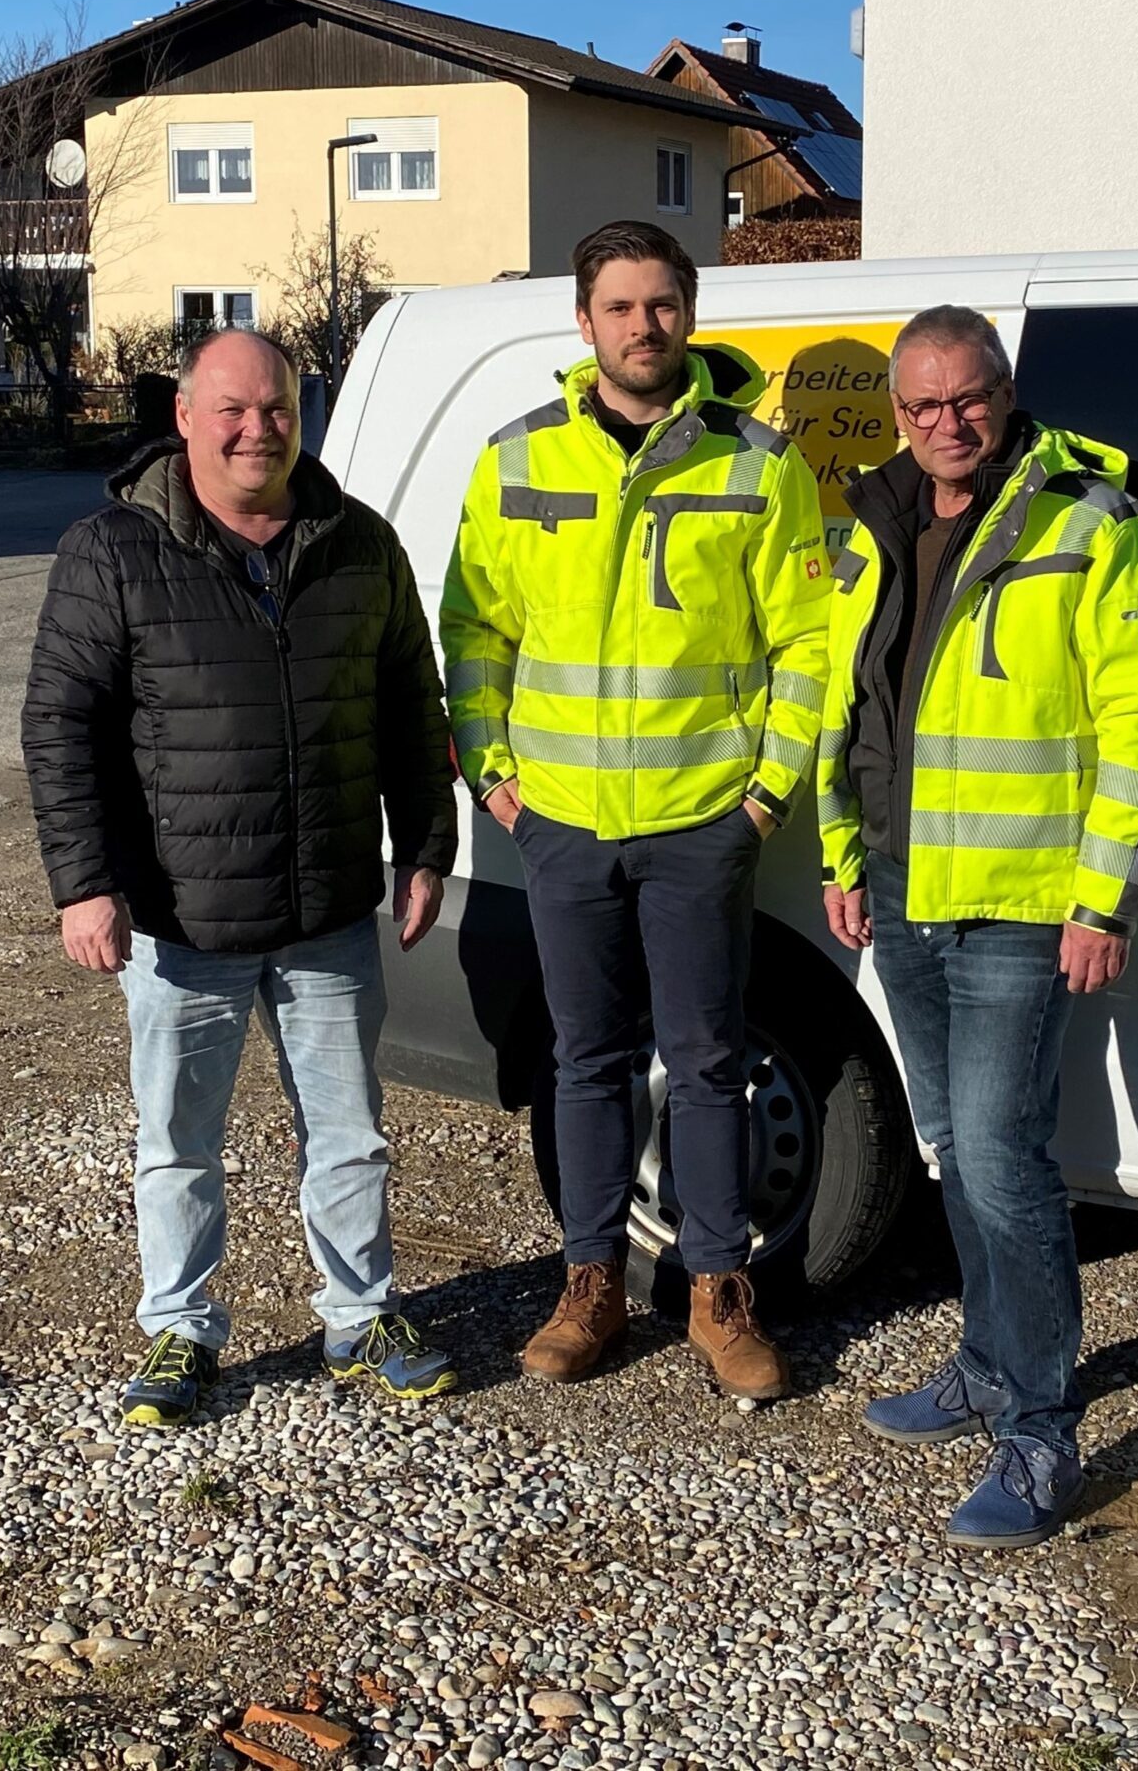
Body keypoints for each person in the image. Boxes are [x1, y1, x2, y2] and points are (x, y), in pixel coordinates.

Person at [22, 328, 459, 1428]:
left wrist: (423, 846)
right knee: (178, 1140)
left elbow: (411, 703)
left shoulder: (359, 543)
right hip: (182, 919)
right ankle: (179, 1328)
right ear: (184, 416)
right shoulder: (110, 551)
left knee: (351, 1131)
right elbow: (60, 725)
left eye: (275, 407)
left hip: (325, 909)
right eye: (231, 409)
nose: (256, 427)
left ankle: (360, 1314)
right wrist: (84, 882)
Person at [814, 306, 1138, 1546]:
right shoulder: (874, 522)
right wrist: (841, 854)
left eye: (965, 400)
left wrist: (1102, 893)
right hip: (903, 886)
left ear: (1003, 391)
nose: (944, 425)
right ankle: (982, 1360)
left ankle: (1039, 1426)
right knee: (952, 1150)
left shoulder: (1091, 521)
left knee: (1006, 1157)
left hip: (1024, 898)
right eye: (919, 407)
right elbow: (849, 705)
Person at [440, 220, 832, 1401]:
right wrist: (493, 775)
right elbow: (473, 629)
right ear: (584, 321)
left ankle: (717, 1291)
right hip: (559, 821)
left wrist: (762, 797)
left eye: (662, 304)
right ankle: (592, 1283)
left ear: (690, 317)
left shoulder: (759, 464)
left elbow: (806, 641)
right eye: (620, 306)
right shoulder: (516, 459)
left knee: (709, 1060)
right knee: (584, 1059)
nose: (642, 326)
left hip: (701, 823)